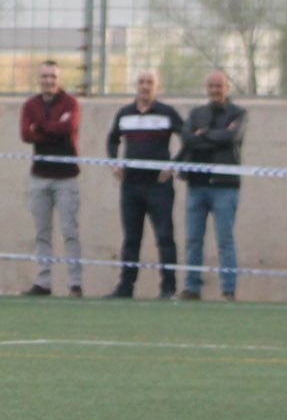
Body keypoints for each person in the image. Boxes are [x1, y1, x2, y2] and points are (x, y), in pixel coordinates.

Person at [106, 69, 182, 300]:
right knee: (131, 239)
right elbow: (112, 140)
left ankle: (168, 288)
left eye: (150, 82)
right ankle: (126, 287)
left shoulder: (167, 113)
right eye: (141, 82)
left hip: (158, 187)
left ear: (157, 87)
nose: (145, 86)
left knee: (164, 237)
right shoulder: (125, 113)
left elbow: (187, 140)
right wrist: (114, 163)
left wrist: (173, 166)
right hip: (131, 186)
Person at [179, 70, 247, 301]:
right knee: (193, 239)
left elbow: (231, 138)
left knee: (225, 240)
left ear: (228, 87)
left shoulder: (239, 113)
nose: (215, 90)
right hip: (197, 185)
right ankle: (192, 287)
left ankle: (228, 290)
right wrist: (212, 136)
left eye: (219, 86)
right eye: (211, 86)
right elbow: (187, 138)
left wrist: (204, 133)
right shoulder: (196, 112)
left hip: (225, 186)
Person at [19, 59, 82, 296]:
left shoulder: (71, 103)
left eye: (53, 77)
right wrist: (53, 127)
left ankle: (75, 283)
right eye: (45, 77)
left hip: (67, 178)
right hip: (39, 177)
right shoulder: (31, 105)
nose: (49, 81)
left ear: (59, 79)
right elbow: (26, 133)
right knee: (42, 232)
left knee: (70, 231)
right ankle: (43, 282)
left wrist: (41, 128)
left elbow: (69, 128)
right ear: (39, 79)